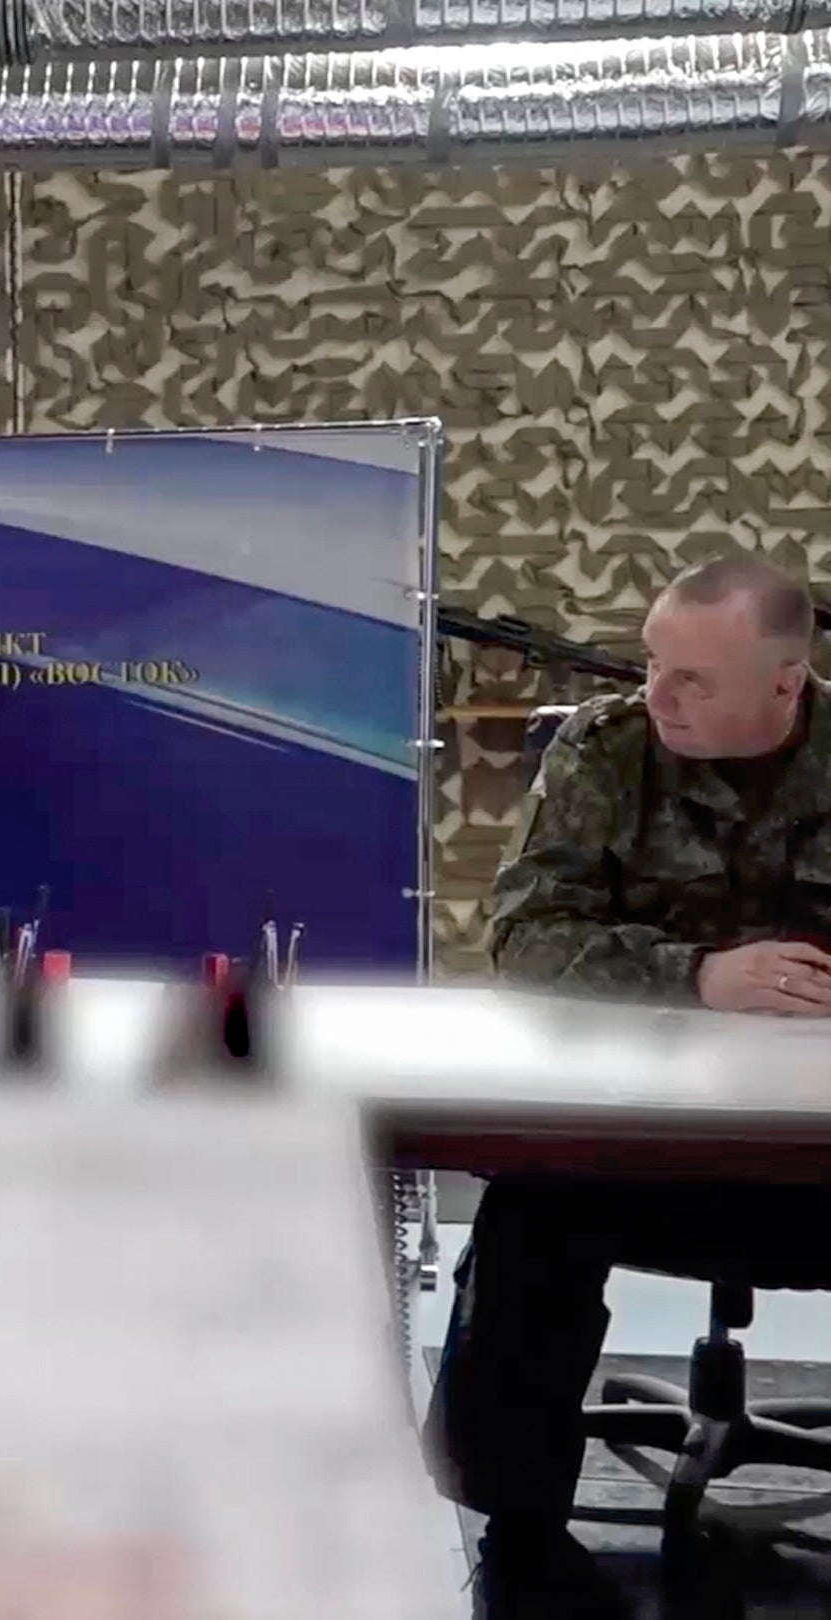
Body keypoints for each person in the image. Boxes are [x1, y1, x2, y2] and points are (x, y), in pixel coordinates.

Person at [429, 550, 831, 1618]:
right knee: (528, 1216)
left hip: (817, 1157)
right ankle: (516, 1536)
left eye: (694, 678)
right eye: (654, 664)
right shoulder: (607, 752)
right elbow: (526, 937)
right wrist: (697, 976)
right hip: (652, 1147)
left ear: (785, 684)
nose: (659, 695)